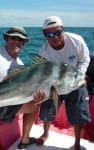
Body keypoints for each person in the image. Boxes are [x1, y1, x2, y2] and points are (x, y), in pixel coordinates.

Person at [36, 16, 91, 150]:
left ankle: (77, 142)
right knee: (47, 110)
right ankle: (45, 133)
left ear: (63, 30)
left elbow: (84, 59)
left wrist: (80, 77)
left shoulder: (76, 41)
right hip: (54, 84)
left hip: (75, 80)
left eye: (58, 32)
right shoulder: (43, 52)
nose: (54, 37)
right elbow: (41, 75)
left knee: (79, 112)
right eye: (49, 34)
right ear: (45, 35)